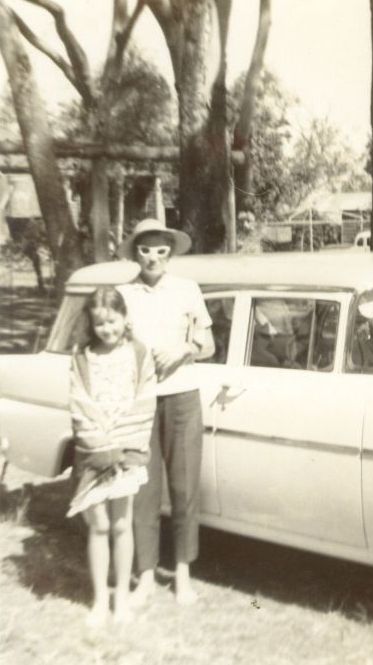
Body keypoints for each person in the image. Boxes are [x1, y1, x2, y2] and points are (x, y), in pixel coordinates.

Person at [116, 219, 214, 606]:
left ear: (170, 253)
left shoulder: (187, 289)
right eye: (145, 250)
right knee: (143, 488)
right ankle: (144, 576)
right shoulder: (123, 294)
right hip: (139, 399)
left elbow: (206, 345)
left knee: (184, 486)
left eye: (160, 250)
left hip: (182, 396)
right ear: (135, 252)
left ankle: (183, 574)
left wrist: (184, 350)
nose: (153, 257)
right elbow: (109, 341)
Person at [68, 287, 156, 626]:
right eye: (100, 323)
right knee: (99, 525)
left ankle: (121, 597)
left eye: (113, 321)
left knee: (122, 523)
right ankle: (99, 600)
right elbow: (79, 403)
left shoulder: (138, 353)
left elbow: (145, 399)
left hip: (126, 452)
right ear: (92, 324)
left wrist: (122, 443)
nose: (108, 329)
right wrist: (101, 443)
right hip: (95, 453)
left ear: (124, 318)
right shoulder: (81, 356)